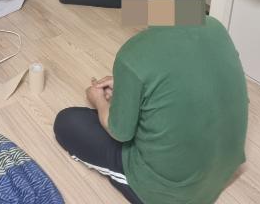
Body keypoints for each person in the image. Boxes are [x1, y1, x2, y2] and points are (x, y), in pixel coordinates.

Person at [53, 17, 249, 204]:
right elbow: (190, 78)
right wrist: (130, 86)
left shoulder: (134, 53)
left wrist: (98, 100)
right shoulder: (215, 26)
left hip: (172, 194)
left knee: (67, 122)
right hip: (226, 168)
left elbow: (119, 132)